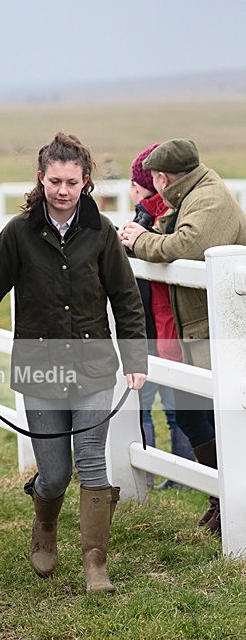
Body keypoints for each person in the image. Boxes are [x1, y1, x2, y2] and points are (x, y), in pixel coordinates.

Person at [0, 133, 147, 594]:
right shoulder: (18, 235)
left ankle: (95, 566)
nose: (63, 190)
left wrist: (135, 358)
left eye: (72, 182)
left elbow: (126, 299)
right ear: (41, 179)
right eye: (55, 181)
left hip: (93, 367)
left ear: (85, 183)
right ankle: (45, 523)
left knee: (92, 464)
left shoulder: (101, 233)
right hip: (40, 370)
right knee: (56, 472)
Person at [120, 138, 246, 533]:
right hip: (198, 328)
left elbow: (188, 245)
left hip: (214, 330)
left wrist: (139, 241)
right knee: (194, 415)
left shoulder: (208, 199)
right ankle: (221, 498)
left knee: (216, 416)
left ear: (162, 176)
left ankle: (231, 503)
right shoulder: (192, 195)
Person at [128, 143, 195, 489]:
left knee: (149, 403)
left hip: (153, 327)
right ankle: (181, 473)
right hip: (165, 328)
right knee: (173, 404)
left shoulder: (151, 217)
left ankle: (150, 472)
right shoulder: (169, 215)